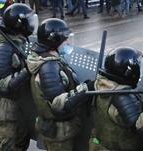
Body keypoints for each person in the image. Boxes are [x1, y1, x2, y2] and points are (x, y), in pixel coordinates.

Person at [28, 18, 95, 151]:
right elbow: (58, 105)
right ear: (54, 41)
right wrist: (86, 89)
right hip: (58, 132)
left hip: (58, 129)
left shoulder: (48, 59)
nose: (68, 43)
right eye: (65, 40)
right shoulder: (49, 68)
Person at [0, 3, 39, 151]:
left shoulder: (15, 42)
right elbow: (2, 85)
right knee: (5, 146)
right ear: (19, 24)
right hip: (4, 106)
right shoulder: (4, 48)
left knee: (21, 140)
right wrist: (28, 70)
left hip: (15, 103)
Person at [90, 47, 143, 151]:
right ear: (129, 72)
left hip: (100, 145)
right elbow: (139, 129)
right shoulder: (122, 96)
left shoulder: (100, 84)